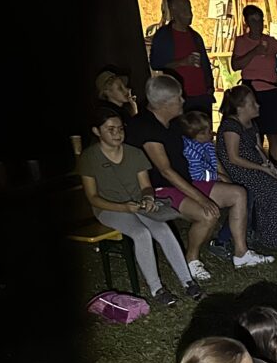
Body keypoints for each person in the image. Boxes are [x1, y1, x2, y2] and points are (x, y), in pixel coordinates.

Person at [126, 74, 265, 280]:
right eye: (178, 98)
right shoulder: (146, 128)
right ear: (164, 104)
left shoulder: (174, 122)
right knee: (207, 214)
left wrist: (219, 174)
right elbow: (166, 172)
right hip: (160, 188)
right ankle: (191, 260)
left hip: (186, 181)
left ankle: (241, 254)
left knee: (238, 193)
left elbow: (202, 145)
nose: (183, 100)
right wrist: (202, 199)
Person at [78, 108, 202, 307]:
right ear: (96, 131)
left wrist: (148, 198)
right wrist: (123, 207)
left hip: (137, 204)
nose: (117, 133)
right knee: (141, 233)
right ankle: (157, 289)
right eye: (110, 129)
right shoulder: (89, 157)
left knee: (163, 229)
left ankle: (188, 281)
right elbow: (93, 198)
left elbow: (145, 186)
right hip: (108, 208)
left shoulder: (134, 153)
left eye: (120, 128)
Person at [216, 84, 277, 250]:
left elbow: (258, 148)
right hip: (240, 171)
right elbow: (233, 158)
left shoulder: (251, 123)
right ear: (240, 108)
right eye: (252, 103)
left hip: (256, 166)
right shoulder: (231, 127)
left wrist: (269, 165)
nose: (258, 105)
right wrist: (262, 169)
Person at [230, 5, 277, 164]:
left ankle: (276, 167)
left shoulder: (270, 41)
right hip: (250, 93)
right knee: (254, 133)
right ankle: (257, 166)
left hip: (271, 91)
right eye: (253, 21)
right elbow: (235, 65)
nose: (257, 25)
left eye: (260, 21)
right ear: (246, 22)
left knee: (274, 133)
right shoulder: (241, 42)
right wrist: (255, 52)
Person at [149, 0, 216, 114]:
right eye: (184, 9)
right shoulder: (164, 36)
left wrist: (210, 87)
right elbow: (156, 64)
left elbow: (205, 63)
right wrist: (182, 62)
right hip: (180, 98)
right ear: (173, 11)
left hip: (202, 95)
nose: (190, 14)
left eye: (190, 9)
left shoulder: (195, 36)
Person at [177, 110, 218, 183]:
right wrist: (217, 176)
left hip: (211, 177)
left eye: (210, 130)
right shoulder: (191, 152)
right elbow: (197, 176)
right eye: (208, 131)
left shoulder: (206, 144)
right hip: (199, 182)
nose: (211, 134)